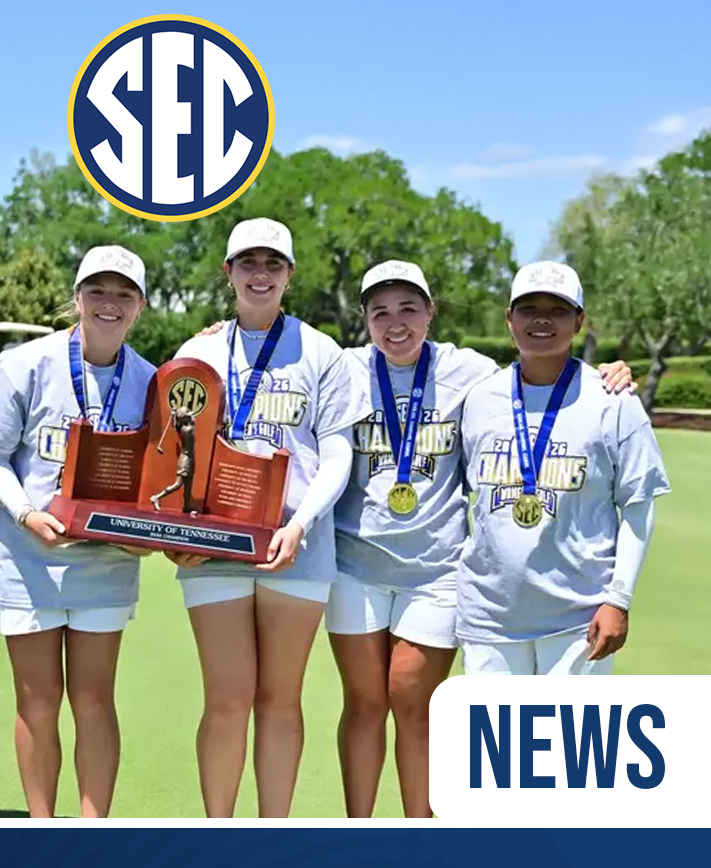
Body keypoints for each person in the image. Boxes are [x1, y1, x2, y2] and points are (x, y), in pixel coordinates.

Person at [328, 259, 637, 817]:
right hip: (354, 565)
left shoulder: (468, 371)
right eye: (380, 313)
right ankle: (362, 834)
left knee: (409, 698)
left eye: (408, 309)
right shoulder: (342, 368)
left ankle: (422, 834)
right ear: (365, 320)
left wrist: (609, 372)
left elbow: (539, 370)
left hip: (439, 569)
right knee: (364, 703)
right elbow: (270, 354)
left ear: (431, 312)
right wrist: (213, 336)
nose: (395, 324)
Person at [169, 218, 371, 818]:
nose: (261, 274)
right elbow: (174, 450)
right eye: (248, 263)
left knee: (281, 700)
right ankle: (220, 832)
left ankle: (272, 831)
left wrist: (301, 523)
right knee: (227, 698)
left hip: (296, 544)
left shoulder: (322, 352)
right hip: (215, 546)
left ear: (289, 275)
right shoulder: (199, 351)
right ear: (227, 273)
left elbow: (337, 450)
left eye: (273, 264)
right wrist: (179, 530)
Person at [0, 245, 154, 819]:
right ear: (76, 299)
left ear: (141, 307)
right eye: (98, 291)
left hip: (106, 563)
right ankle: (42, 825)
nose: (110, 304)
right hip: (29, 558)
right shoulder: (26, 364)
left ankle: (91, 828)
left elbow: (158, 479)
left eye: (124, 294)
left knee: (95, 700)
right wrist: (28, 514)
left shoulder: (151, 381)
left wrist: (149, 533)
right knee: (37, 701)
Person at [457, 261, 669, 674]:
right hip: (489, 616)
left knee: (569, 741)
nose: (541, 320)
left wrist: (619, 599)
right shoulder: (479, 398)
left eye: (557, 310)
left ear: (579, 320)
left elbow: (639, 505)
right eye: (528, 308)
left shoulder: (613, 400)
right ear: (509, 318)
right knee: (494, 740)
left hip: (580, 617)